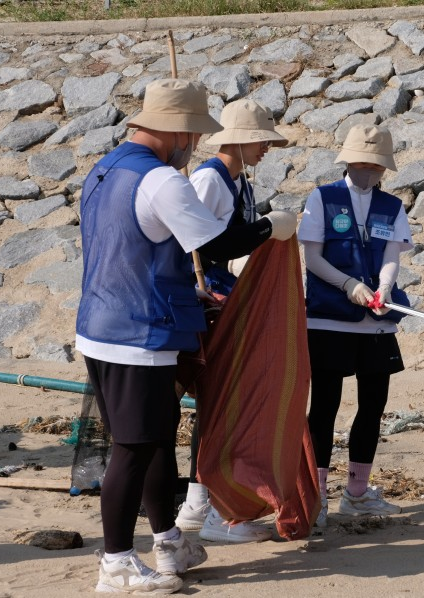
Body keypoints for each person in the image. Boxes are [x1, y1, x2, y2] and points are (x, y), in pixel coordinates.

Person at [76, 79, 296, 594]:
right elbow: (216, 244)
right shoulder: (161, 180)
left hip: (103, 323)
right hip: (139, 331)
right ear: (176, 131)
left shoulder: (104, 169)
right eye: (192, 135)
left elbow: (131, 248)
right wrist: (270, 227)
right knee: (133, 448)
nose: (194, 145)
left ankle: (169, 538)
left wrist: (182, 286)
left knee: (155, 439)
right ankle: (116, 563)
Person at [176, 98, 289, 543]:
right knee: (215, 403)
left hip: (224, 297)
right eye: (260, 140)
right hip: (202, 300)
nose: (266, 147)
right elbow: (198, 243)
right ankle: (202, 504)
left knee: (223, 404)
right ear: (239, 140)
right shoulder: (209, 179)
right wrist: (265, 229)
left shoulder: (240, 182)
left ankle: (203, 501)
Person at [297, 125, 413, 527]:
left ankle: (357, 493)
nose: (368, 171)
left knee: (373, 405)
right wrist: (348, 285)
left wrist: (383, 288)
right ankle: (316, 498)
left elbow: (392, 254)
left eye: (376, 166)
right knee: (324, 407)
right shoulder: (323, 197)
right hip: (328, 318)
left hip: (377, 322)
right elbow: (312, 257)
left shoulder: (391, 206)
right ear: (347, 162)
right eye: (362, 163)